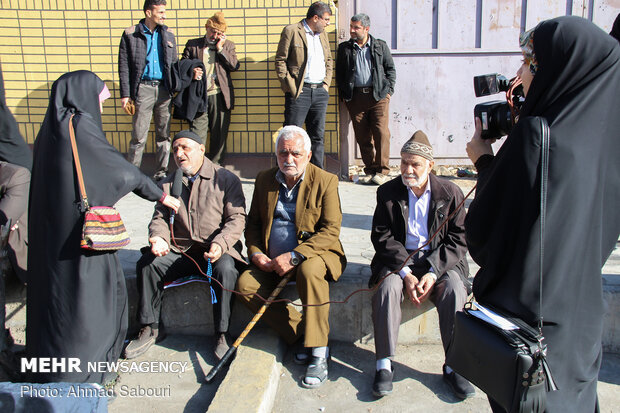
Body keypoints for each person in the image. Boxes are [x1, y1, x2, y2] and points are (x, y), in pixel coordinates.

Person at [465, 16, 620, 412]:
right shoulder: (608, 144)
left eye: (529, 62)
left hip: (527, 328)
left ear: (557, 67)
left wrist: (486, 162)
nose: (518, 74)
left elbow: (482, 236)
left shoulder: (536, 136)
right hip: (580, 323)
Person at [26, 70, 180, 384]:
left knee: (58, 303)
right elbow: (123, 173)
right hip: (82, 242)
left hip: (52, 237)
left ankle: (52, 365)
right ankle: (85, 372)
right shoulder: (80, 127)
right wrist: (160, 194)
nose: (101, 105)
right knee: (92, 304)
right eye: (99, 98)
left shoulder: (49, 132)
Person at [237, 125, 346, 389]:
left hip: (316, 254)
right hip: (272, 260)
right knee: (245, 285)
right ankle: (300, 335)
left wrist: (295, 256)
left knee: (309, 272)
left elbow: (331, 230)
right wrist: (256, 254)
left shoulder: (325, 180)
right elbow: (252, 224)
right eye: (283, 153)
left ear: (308, 155)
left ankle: (319, 352)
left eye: (296, 153)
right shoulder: (264, 180)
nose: (289, 159)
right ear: (275, 155)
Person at [124, 130, 246, 361]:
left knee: (226, 271)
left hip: (215, 250)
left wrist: (221, 243)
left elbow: (237, 219)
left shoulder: (226, 179)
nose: (179, 154)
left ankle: (222, 333)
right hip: (181, 250)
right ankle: (149, 327)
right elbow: (159, 218)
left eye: (185, 148)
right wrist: (158, 237)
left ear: (201, 149)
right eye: (175, 149)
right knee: (148, 264)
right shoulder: (169, 183)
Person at [369, 131, 473, 399]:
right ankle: (383, 364)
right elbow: (382, 237)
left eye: (415, 163)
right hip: (398, 260)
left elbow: (459, 240)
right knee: (387, 287)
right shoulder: (387, 192)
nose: (408, 169)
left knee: (453, 288)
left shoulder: (450, 193)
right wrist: (405, 273)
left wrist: (432, 271)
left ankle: (454, 367)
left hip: (439, 259)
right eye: (404, 162)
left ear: (430, 165)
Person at [118, 0, 178, 180]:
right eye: (160, 12)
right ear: (148, 13)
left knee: (164, 135)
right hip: (142, 88)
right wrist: (126, 95)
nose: (164, 15)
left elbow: (173, 64)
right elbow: (124, 66)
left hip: (164, 90)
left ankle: (161, 173)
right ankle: (132, 175)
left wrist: (175, 87)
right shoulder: (130, 34)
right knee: (139, 135)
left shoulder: (168, 34)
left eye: (164, 12)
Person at [336, 13, 396, 186]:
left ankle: (382, 171)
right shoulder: (345, 48)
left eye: (356, 28)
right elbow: (340, 74)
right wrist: (345, 96)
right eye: (351, 27)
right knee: (362, 136)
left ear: (366, 29)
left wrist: (389, 91)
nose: (352, 31)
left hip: (378, 96)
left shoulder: (379, 46)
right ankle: (370, 170)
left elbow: (390, 69)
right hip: (355, 98)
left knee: (381, 134)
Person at [275, 2, 333, 169]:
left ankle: (317, 173)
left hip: (320, 92)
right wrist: (291, 87)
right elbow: (280, 60)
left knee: (318, 136)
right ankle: (288, 170)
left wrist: (326, 84)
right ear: (316, 18)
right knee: (291, 135)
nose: (328, 23)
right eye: (326, 19)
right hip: (299, 92)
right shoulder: (292, 31)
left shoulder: (322, 34)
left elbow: (328, 59)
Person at [182, 12, 240, 164]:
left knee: (219, 134)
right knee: (196, 134)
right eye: (212, 31)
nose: (214, 36)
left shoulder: (228, 46)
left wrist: (221, 49)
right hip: (199, 96)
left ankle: (215, 167)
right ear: (206, 28)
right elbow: (182, 66)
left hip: (219, 95)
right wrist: (191, 72)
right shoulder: (193, 45)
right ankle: (195, 166)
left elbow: (234, 66)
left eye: (219, 33)